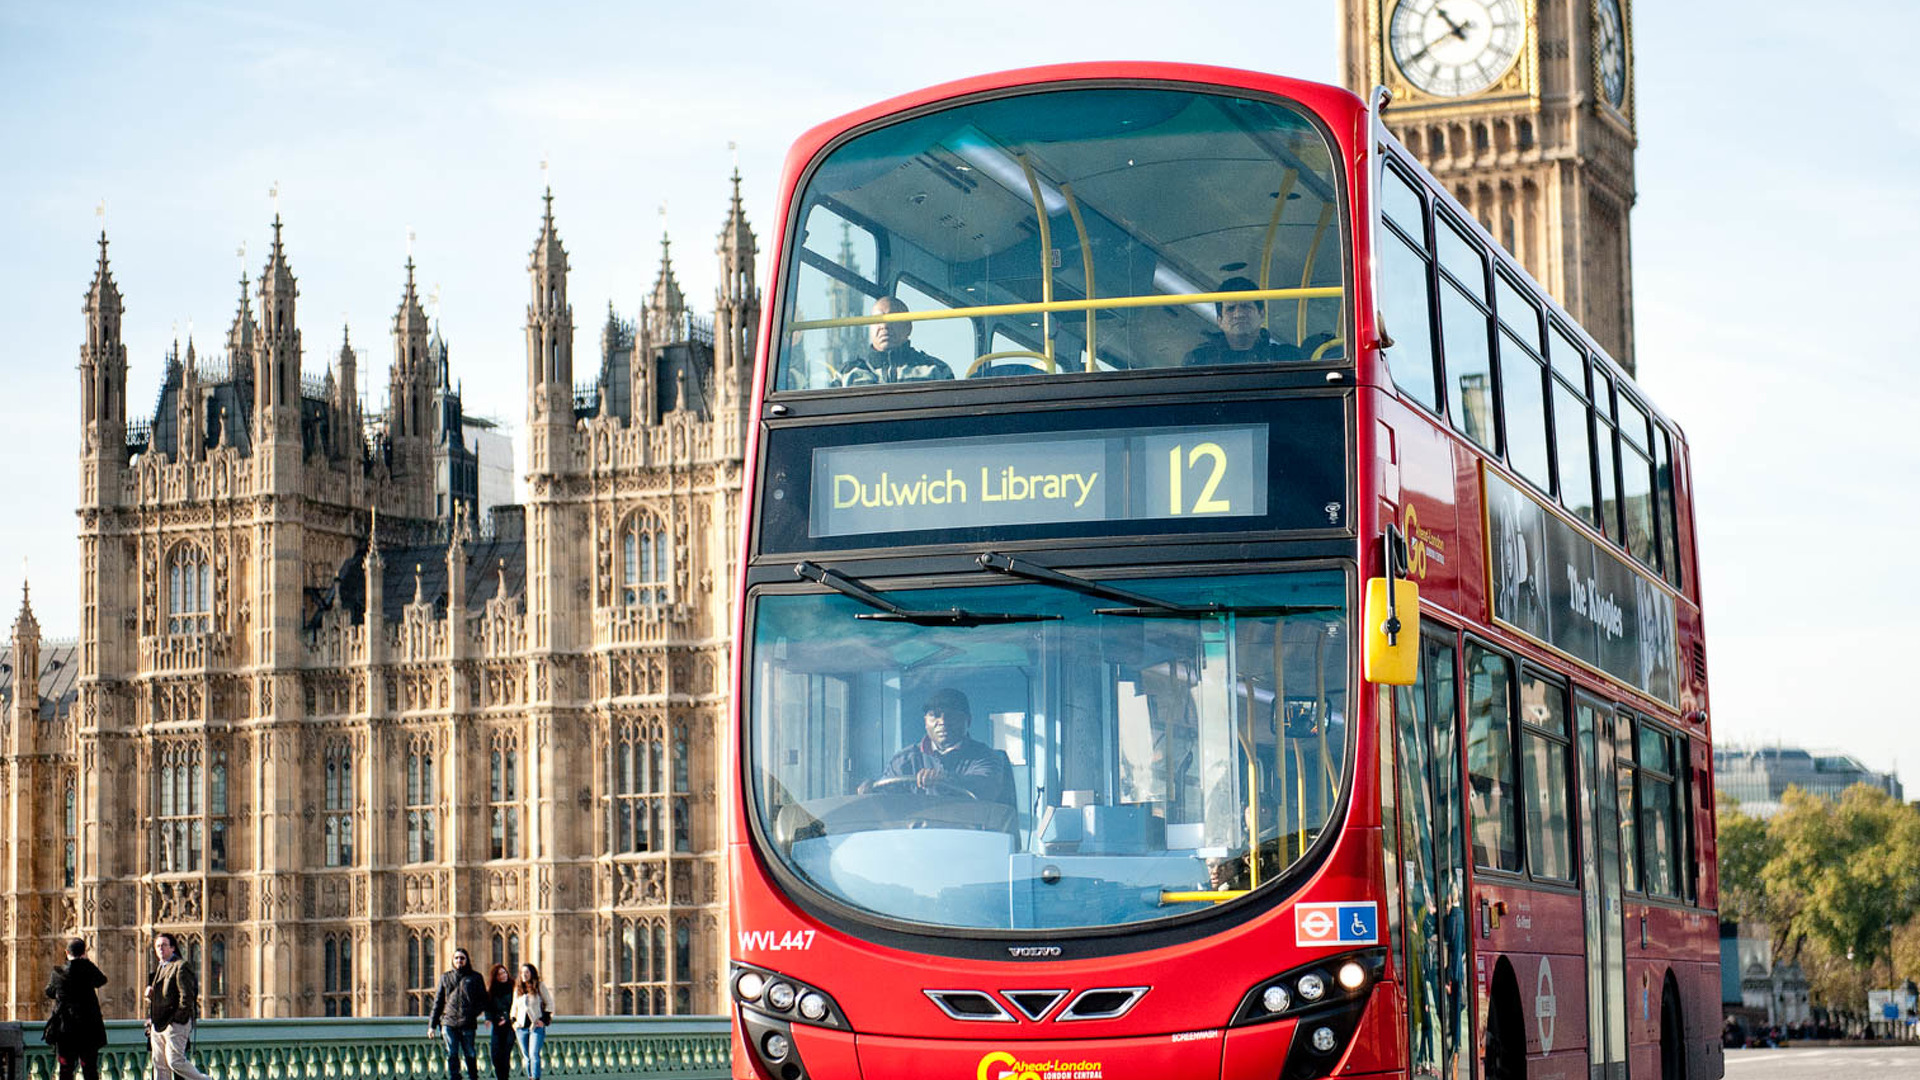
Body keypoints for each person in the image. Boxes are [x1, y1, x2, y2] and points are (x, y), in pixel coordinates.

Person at [859, 688, 1013, 804]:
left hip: (968, 837)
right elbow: (886, 800)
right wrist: (871, 792)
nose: (943, 722)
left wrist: (945, 779)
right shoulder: (904, 759)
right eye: (935, 715)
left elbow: (986, 788)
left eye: (951, 715)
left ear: (968, 721)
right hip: (912, 840)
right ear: (926, 721)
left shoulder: (986, 757)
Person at [1182, 276, 1311, 367]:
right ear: (1219, 320)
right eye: (1231, 309)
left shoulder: (1288, 357)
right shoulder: (1198, 360)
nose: (1238, 314)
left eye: (1246, 307)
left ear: (1262, 314)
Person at [834, 297, 955, 385]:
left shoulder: (936, 370)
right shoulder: (846, 374)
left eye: (892, 319)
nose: (884, 325)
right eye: (877, 320)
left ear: (908, 327)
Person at [144, 932, 211, 1080]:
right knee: (160, 1066)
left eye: (164, 945)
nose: (160, 949)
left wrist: (177, 1019)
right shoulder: (160, 967)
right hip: (158, 1023)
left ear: (173, 948)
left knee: (175, 1061)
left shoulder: (181, 966)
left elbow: (187, 996)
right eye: (157, 946)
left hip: (173, 1023)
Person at [44, 938, 107, 1080]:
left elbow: (49, 992)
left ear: (66, 953)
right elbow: (101, 980)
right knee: (89, 1068)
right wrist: (87, 962)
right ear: (84, 953)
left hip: (65, 1027)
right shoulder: (88, 969)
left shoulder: (57, 973)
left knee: (66, 1069)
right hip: (88, 1027)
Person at [427, 947, 490, 1080]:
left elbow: (483, 1000)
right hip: (449, 1022)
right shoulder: (445, 977)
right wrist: (431, 1026)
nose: (459, 960)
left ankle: (473, 1077)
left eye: (462, 958)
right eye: (456, 958)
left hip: (467, 1023)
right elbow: (438, 1003)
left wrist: (472, 1014)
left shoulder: (476, 977)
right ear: (453, 960)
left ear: (466, 960)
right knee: (452, 1054)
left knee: (470, 1054)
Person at [511, 963, 556, 1080]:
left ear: (532, 973)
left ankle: (535, 1078)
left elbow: (549, 1004)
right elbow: (514, 1007)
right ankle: (530, 1076)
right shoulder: (518, 989)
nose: (524, 975)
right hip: (521, 1028)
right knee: (526, 1056)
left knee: (534, 1054)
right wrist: (513, 1022)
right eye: (522, 973)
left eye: (527, 972)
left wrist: (543, 1020)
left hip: (535, 1027)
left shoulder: (539, 986)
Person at [484, 964, 515, 1080]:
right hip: (497, 1027)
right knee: (495, 1056)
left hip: (510, 1027)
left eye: (505, 973)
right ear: (495, 977)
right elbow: (488, 1006)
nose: (503, 976)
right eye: (500, 974)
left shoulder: (513, 988)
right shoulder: (492, 991)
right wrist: (488, 1018)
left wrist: (506, 1018)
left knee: (505, 1056)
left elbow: (516, 1007)